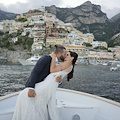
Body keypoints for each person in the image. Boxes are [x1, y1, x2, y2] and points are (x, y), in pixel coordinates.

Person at [12, 47, 78, 120]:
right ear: (59, 54)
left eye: (67, 55)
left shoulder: (66, 63)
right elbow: (35, 72)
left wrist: (53, 58)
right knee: (33, 101)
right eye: (65, 54)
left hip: (48, 85)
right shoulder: (47, 58)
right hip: (43, 84)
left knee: (27, 98)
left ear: (72, 58)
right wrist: (31, 87)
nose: (65, 55)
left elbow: (52, 71)